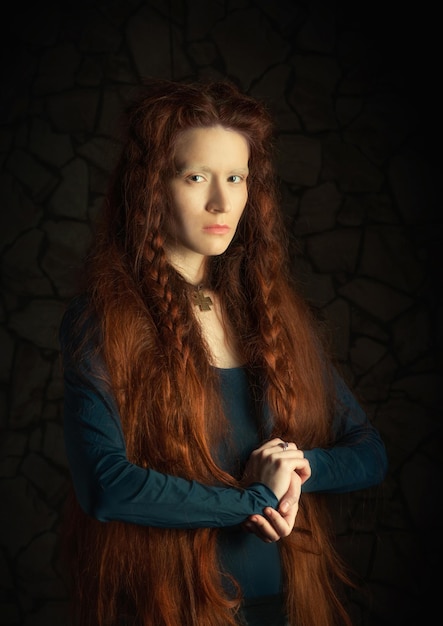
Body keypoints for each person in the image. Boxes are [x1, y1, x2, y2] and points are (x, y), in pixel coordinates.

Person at [59, 78, 388, 626]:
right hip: (175, 609)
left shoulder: (273, 316)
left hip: (284, 607)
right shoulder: (106, 318)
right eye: (196, 177)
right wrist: (253, 499)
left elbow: (369, 451)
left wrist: (299, 468)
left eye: (235, 178)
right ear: (150, 187)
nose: (221, 201)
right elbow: (105, 486)